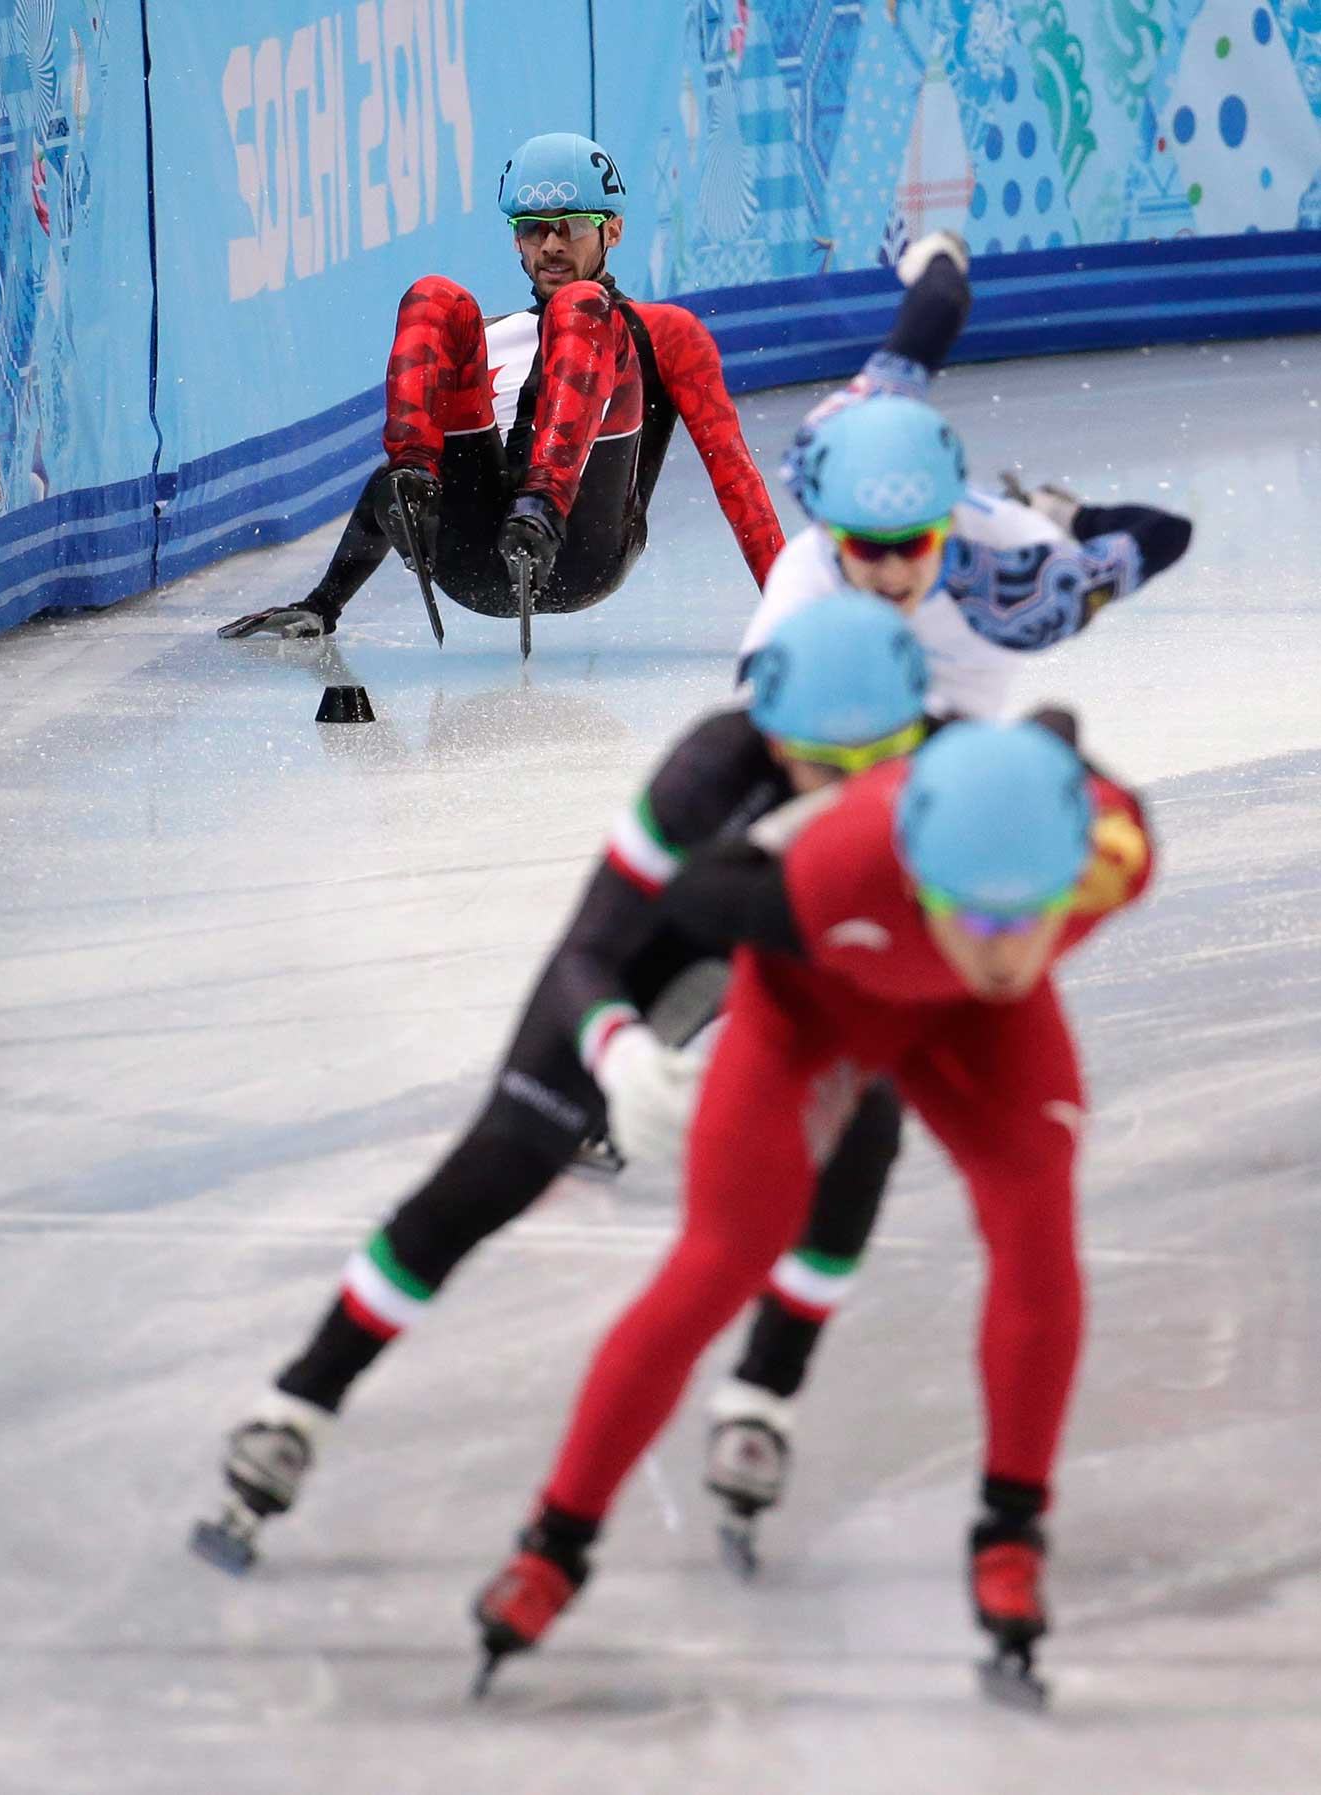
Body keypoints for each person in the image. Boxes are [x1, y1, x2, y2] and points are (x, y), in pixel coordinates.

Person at [189, 591, 931, 1574]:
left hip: (802, 963)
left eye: (867, 765)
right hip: (659, 957)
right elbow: (589, 948)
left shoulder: (946, 769)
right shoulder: (712, 769)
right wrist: (618, 1046)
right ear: (768, 733)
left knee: (865, 1133)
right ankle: (300, 1400)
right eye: (814, 764)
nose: (837, 791)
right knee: (491, 1171)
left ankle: (764, 1394)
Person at [474, 717, 1155, 1697]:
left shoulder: (1113, 853)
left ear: (1073, 879)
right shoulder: (828, 871)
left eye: (1026, 917)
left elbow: (1058, 740)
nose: (1003, 950)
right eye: (971, 917)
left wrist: (1041, 747)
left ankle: (1010, 1534)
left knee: (1035, 1220)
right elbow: (685, 897)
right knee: (722, 1258)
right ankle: (554, 1543)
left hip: (978, 1029)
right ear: (918, 878)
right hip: (816, 1002)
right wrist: (624, 1044)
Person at [701, 368, 1191, 1553]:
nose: (884, 567)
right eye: (862, 545)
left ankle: (769, 1391)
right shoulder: (808, 577)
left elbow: (1163, 533)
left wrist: (1071, 539)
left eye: (911, 542)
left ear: (945, 526)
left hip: (953, 840)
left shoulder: (1020, 574)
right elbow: (746, 794)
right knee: (848, 1121)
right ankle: (762, 1389)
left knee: (881, 1137)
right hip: (867, 822)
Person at [217, 132, 782, 648]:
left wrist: (793, 610)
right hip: (476, 563)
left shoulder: (664, 333)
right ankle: (502, 505)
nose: (551, 245)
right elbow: (399, 474)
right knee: (435, 297)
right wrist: (324, 602)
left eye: (571, 226)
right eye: (532, 228)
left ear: (613, 230)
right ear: (517, 238)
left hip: (584, 553)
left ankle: (542, 509)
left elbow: (735, 474)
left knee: (582, 305)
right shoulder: (488, 336)